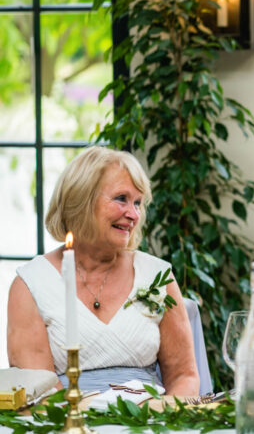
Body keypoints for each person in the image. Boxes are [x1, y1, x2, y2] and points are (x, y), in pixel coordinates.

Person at [7, 147, 199, 395]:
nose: (133, 215)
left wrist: (162, 419)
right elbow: (39, 392)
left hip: (151, 424)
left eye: (138, 203)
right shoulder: (31, 284)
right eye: (121, 199)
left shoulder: (157, 277)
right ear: (81, 200)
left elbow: (185, 376)